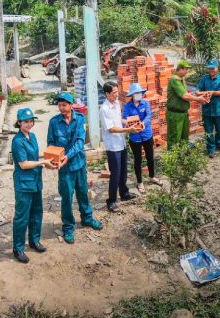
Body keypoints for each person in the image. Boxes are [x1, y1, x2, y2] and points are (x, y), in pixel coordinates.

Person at [47, 91, 102, 243]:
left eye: (64, 105)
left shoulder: (80, 119)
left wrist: (67, 156)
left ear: (71, 105)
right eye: (59, 105)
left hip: (78, 163)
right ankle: (68, 227)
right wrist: (53, 157)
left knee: (83, 192)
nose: (61, 108)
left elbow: (79, 142)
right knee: (66, 198)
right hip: (64, 168)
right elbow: (50, 143)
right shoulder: (53, 122)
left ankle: (87, 218)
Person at [11, 107, 54, 263]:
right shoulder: (17, 141)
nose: (29, 124)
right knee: (22, 216)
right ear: (19, 123)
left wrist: (49, 156)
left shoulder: (33, 136)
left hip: (35, 181)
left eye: (31, 121)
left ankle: (34, 240)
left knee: (37, 212)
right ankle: (18, 248)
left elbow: (35, 155)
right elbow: (23, 164)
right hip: (24, 183)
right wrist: (42, 162)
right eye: (26, 122)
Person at [100, 82, 137, 212]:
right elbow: (110, 128)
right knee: (115, 174)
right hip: (113, 146)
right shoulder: (104, 109)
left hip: (121, 143)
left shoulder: (116, 104)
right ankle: (111, 201)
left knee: (123, 171)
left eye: (117, 91)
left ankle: (124, 193)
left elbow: (118, 120)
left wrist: (128, 122)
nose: (117, 94)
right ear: (107, 94)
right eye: (114, 92)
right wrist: (128, 130)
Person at [122, 83, 158, 194]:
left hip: (147, 133)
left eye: (140, 93)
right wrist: (129, 125)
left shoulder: (145, 103)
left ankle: (152, 176)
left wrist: (143, 123)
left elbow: (149, 116)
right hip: (135, 136)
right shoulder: (127, 106)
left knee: (150, 156)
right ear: (132, 95)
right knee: (137, 159)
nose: (138, 95)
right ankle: (139, 182)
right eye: (136, 93)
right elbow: (124, 119)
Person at [166, 60, 207, 149]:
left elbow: (185, 93)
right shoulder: (174, 80)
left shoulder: (182, 79)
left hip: (183, 113)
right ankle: (173, 160)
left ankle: (182, 156)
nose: (187, 71)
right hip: (175, 114)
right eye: (186, 69)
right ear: (180, 69)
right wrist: (197, 99)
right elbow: (184, 96)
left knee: (184, 137)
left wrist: (192, 95)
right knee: (174, 138)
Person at [196, 59, 220, 158]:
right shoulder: (204, 79)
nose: (211, 70)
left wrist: (211, 92)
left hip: (218, 109)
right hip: (207, 110)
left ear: (217, 68)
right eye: (209, 68)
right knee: (208, 131)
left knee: (219, 129)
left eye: (213, 68)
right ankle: (211, 149)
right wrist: (203, 93)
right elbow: (197, 91)